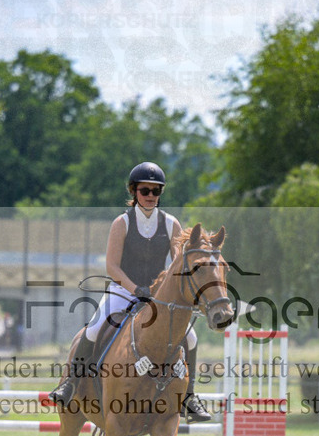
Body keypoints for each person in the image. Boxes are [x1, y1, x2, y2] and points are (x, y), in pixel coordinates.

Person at [48, 161, 211, 422]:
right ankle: (70, 384)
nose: (150, 196)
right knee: (93, 328)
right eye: (145, 190)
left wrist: (172, 291)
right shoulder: (121, 223)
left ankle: (189, 397)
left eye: (155, 191)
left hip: (157, 297)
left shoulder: (171, 224)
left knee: (190, 338)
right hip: (123, 290)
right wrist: (136, 289)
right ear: (134, 191)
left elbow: (179, 265)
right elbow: (112, 266)